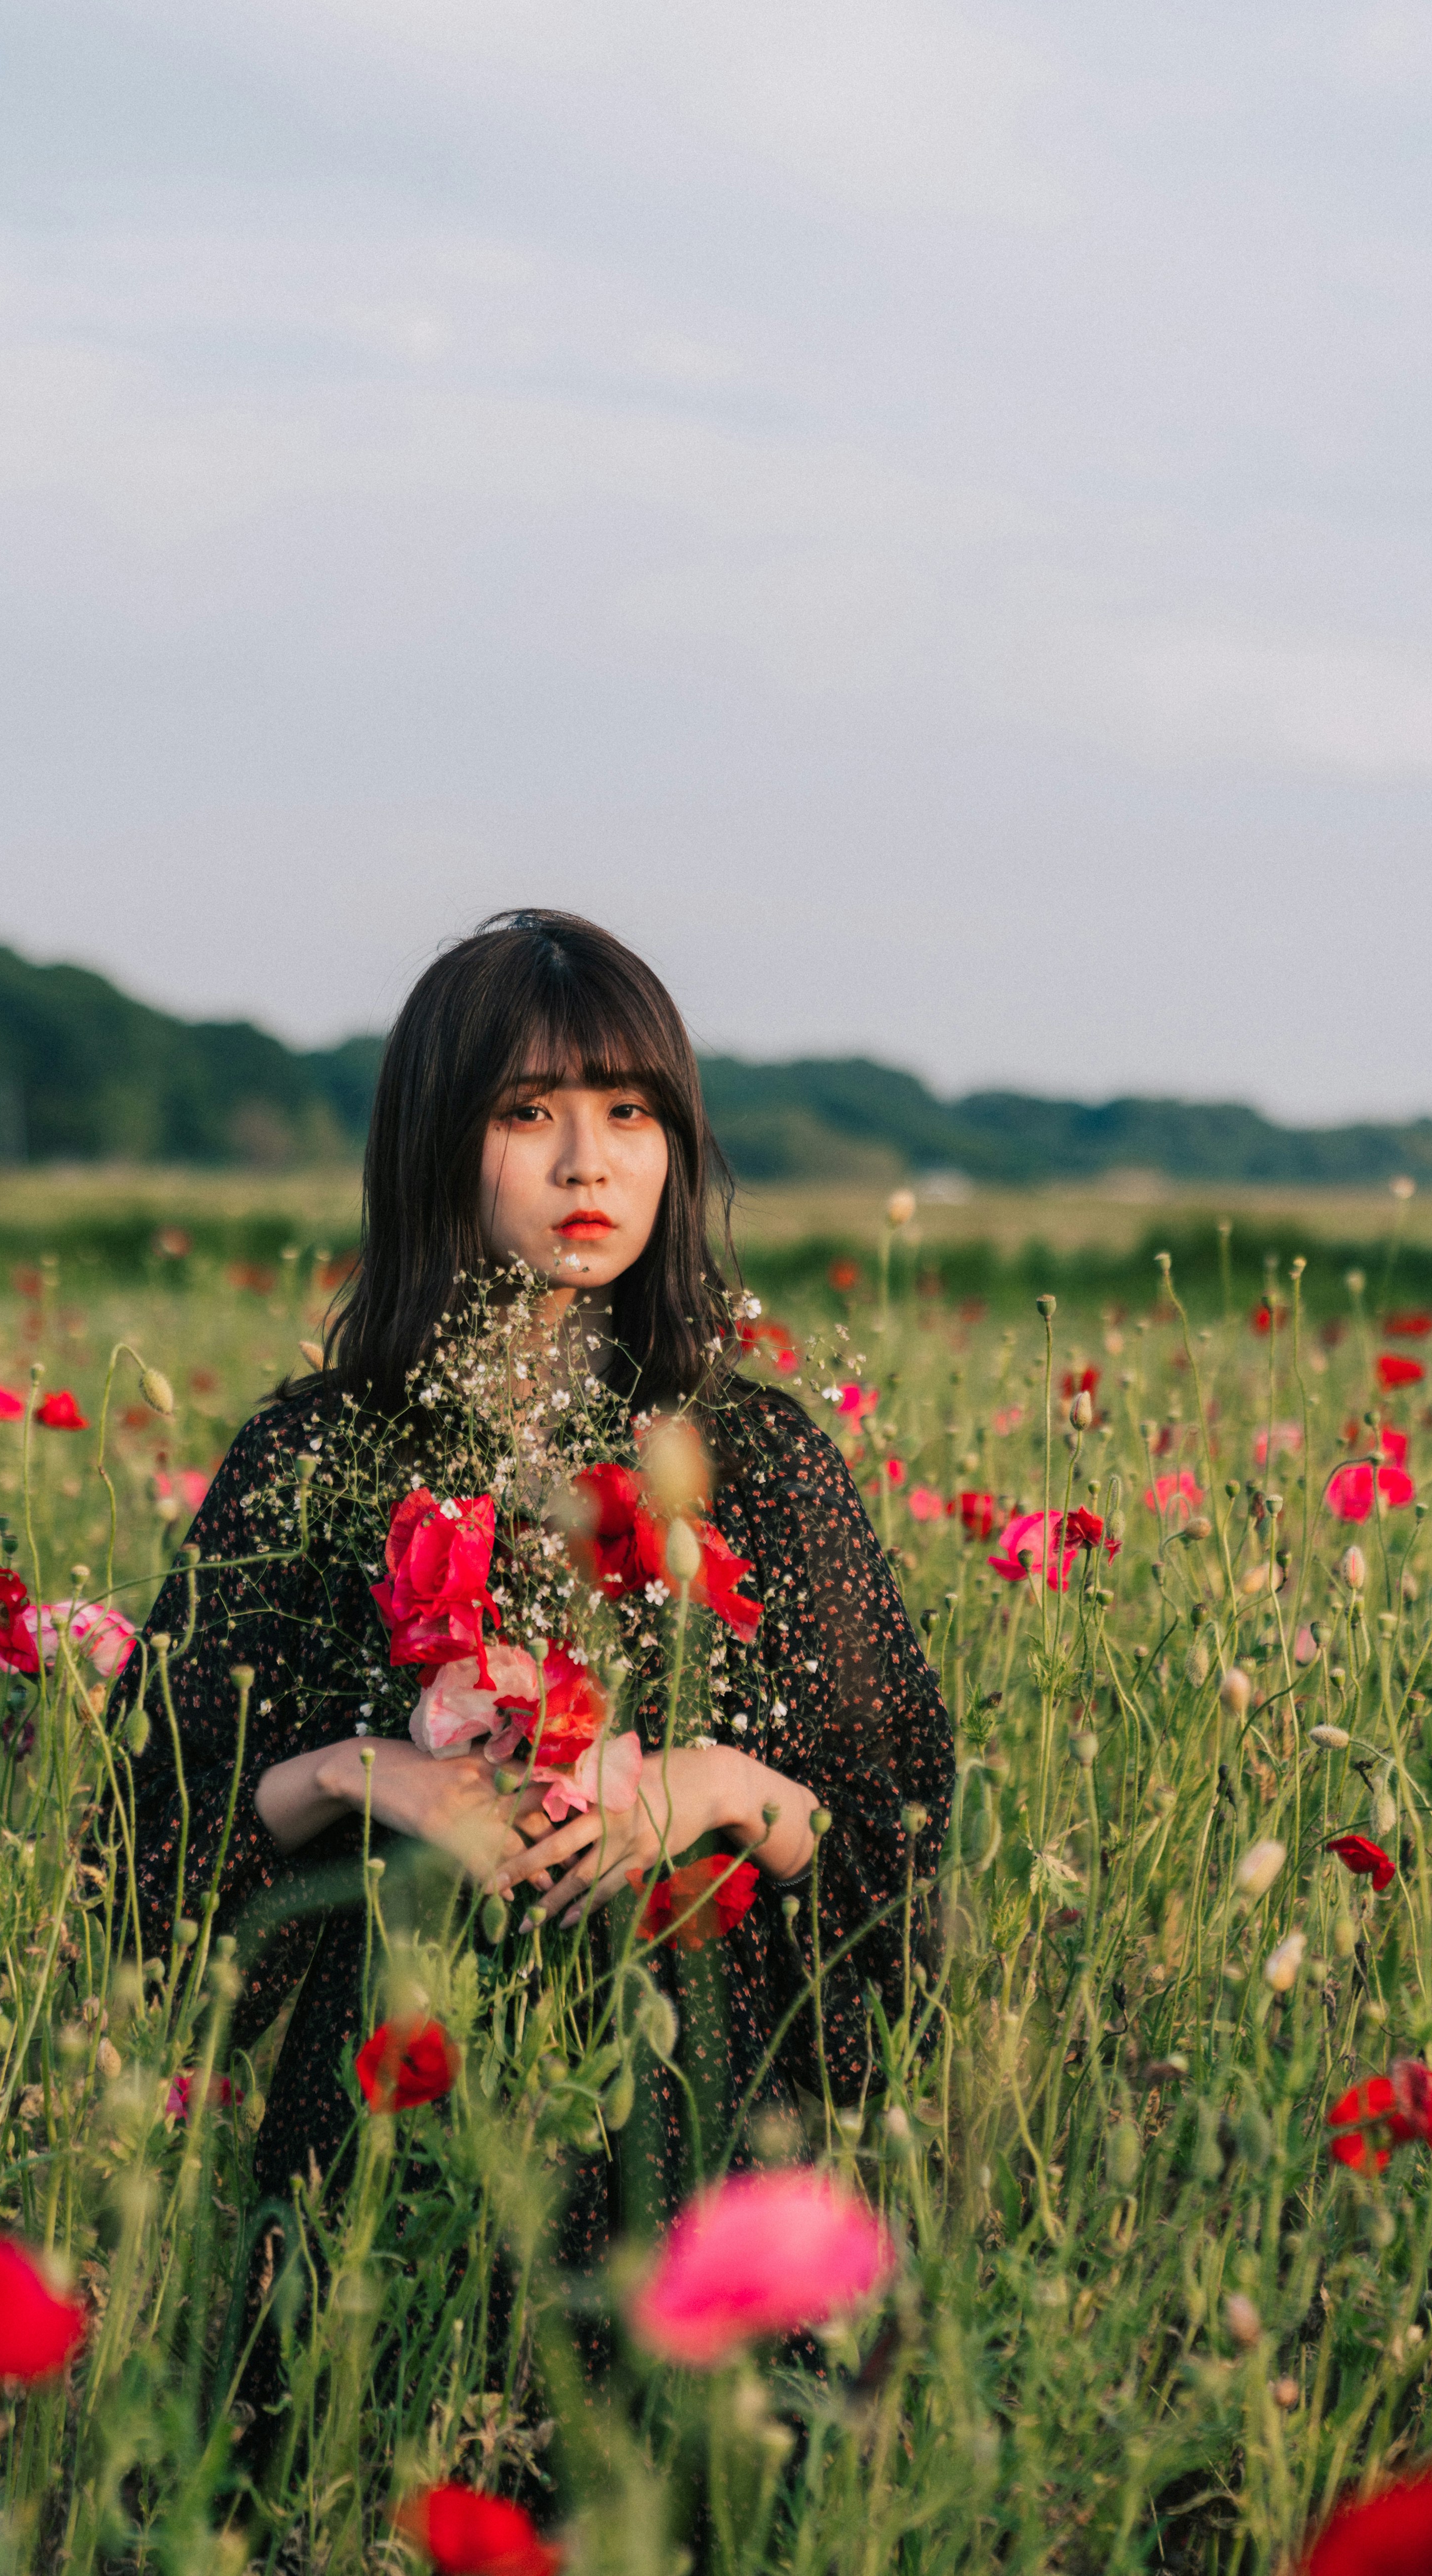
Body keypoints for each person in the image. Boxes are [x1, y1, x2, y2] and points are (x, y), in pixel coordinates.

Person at [118, 907, 953, 2258]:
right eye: (528, 1112)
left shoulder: (755, 1455)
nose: (588, 1163)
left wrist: (724, 1787)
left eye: (630, 1112)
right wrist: (357, 1772)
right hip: (385, 2125)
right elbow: (144, 1837)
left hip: (694, 2125)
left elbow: (896, 1857)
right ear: (440, 1143)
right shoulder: (321, 1453)